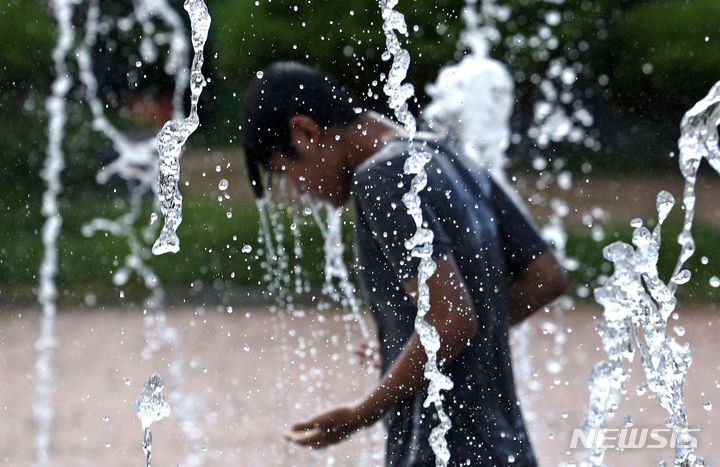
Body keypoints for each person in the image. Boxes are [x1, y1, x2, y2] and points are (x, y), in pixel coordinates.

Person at [242, 61, 567, 466]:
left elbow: (451, 320)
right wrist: (412, 345)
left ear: (305, 133)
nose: (302, 190)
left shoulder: (380, 177)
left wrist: (361, 414)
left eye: (287, 172)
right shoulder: (443, 152)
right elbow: (546, 277)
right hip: (508, 448)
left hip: (439, 450)